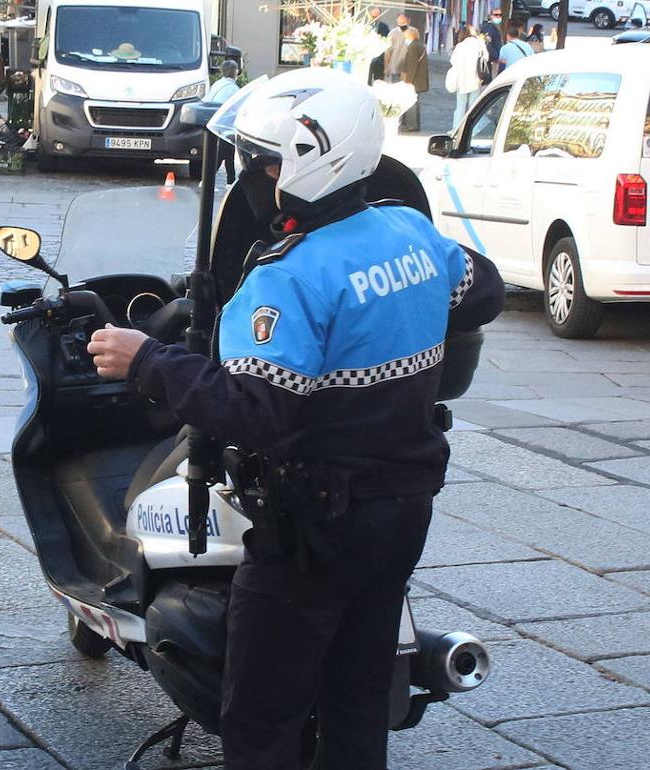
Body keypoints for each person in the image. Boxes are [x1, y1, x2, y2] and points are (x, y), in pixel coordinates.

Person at [84, 67, 503, 770]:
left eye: (269, 161)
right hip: (402, 510)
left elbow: (256, 411)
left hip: (311, 525)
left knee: (260, 716)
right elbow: (482, 291)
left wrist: (147, 360)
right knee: (359, 699)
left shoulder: (287, 276)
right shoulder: (410, 233)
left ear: (312, 160)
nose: (261, 176)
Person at [449, 25, 488, 130]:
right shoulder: (480, 44)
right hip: (476, 79)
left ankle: (456, 128)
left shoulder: (460, 46)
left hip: (462, 80)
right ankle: (473, 129)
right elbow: (486, 58)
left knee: (460, 106)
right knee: (473, 106)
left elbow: (453, 61)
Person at [399, 27, 429, 132]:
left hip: (414, 80)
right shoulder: (420, 45)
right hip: (419, 79)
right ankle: (414, 124)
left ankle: (412, 125)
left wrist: (407, 81)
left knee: (411, 102)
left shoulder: (412, 47)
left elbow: (411, 66)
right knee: (415, 102)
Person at [385, 13, 416, 82]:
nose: (401, 24)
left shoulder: (413, 32)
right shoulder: (392, 33)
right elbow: (388, 52)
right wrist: (386, 67)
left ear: (408, 21)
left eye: (403, 22)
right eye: (399, 22)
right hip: (395, 67)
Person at [480, 7, 503, 78]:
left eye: (500, 15)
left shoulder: (494, 27)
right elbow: (486, 44)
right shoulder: (488, 28)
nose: (498, 16)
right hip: (489, 61)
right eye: (496, 14)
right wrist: (496, 57)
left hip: (492, 60)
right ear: (490, 16)